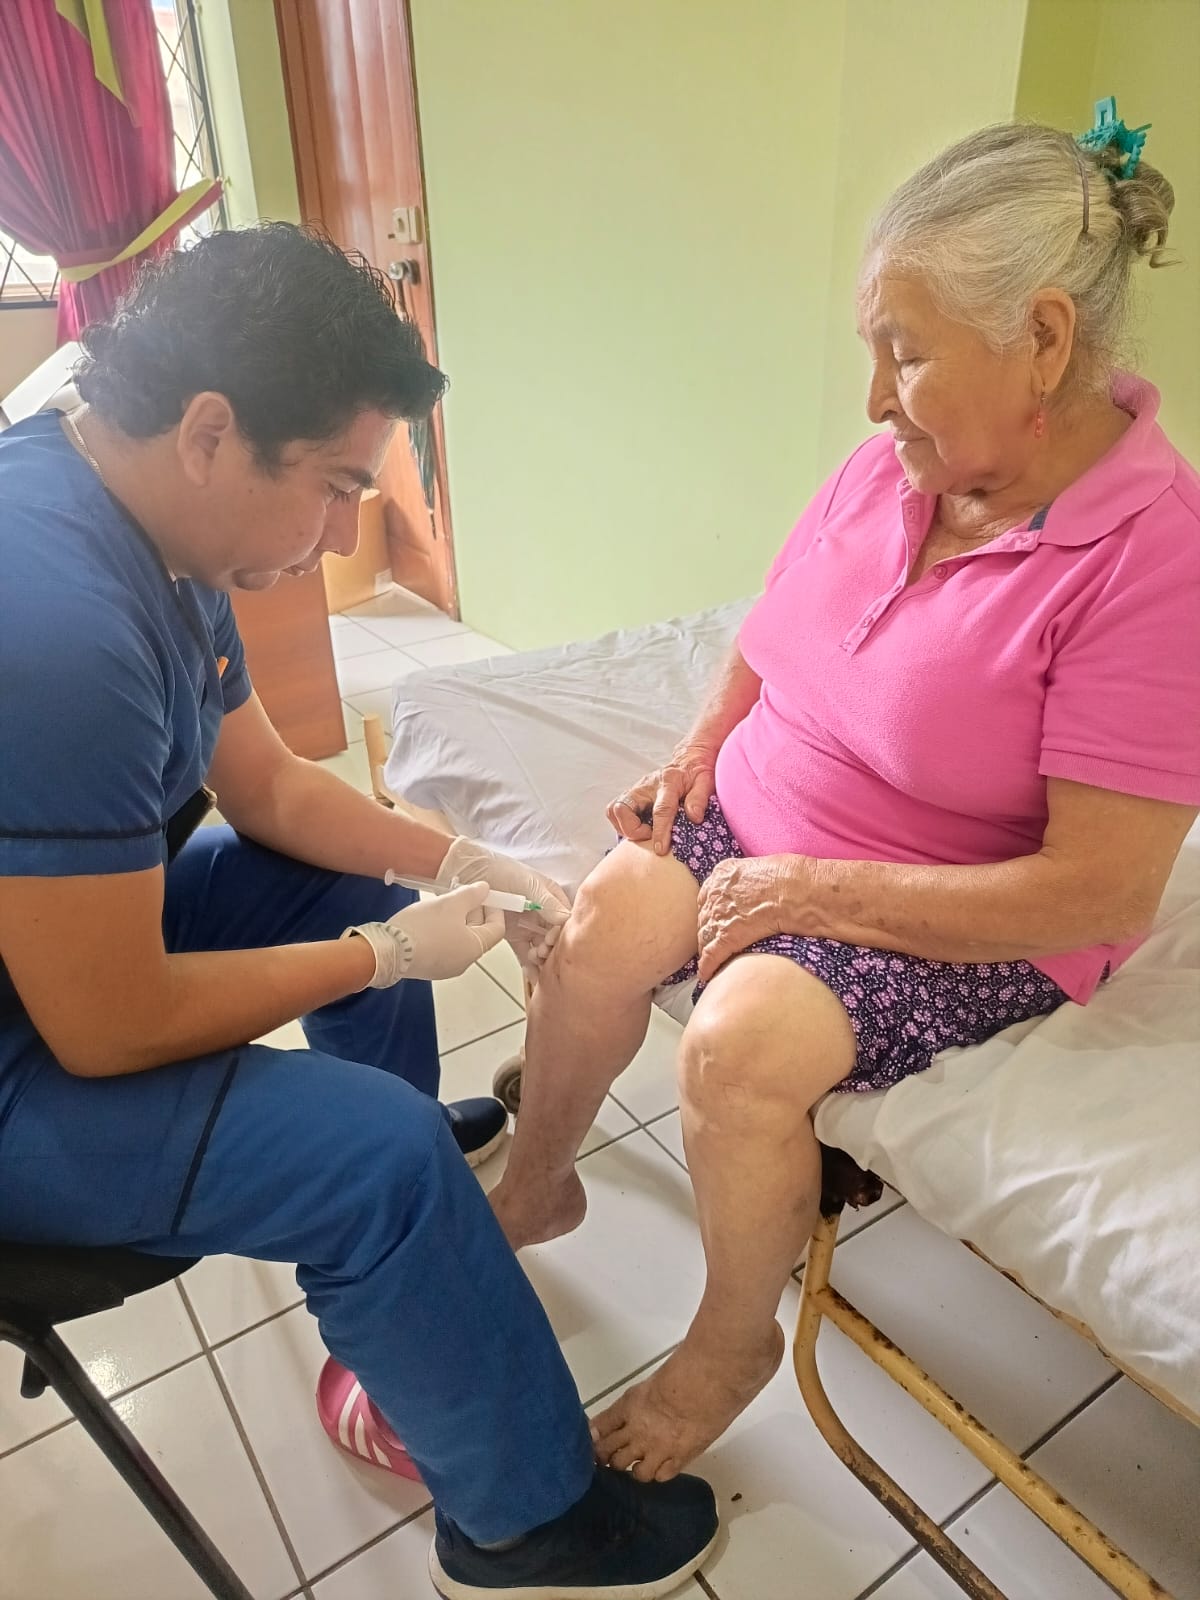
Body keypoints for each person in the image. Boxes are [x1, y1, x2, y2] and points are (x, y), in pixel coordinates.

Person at [0, 225, 718, 1600]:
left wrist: (451, 859)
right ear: (212, 433)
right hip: (28, 1060)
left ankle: (403, 1232)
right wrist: (378, 957)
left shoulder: (150, 523)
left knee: (346, 879)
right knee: (377, 1159)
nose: (343, 534)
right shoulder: (53, 621)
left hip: (54, 953)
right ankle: (524, 1525)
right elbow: (108, 1026)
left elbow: (267, 786)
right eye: (334, 487)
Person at [490, 117, 1200, 1482]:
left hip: (959, 906)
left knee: (738, 1048)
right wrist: (700, 748)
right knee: (602, 932)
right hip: (769, 820)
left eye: (906, 353)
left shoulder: (1154, 563)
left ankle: (728, 1344)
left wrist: (807, 892)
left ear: (1044, 339)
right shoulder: (901, 467)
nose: (875, 400)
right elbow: (775, 625)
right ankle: (538, 1181)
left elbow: (1102, 889)